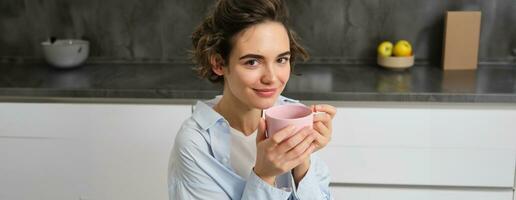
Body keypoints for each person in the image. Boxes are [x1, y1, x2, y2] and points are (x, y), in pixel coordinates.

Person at [168, 0, 336, 199]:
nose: (272, 78)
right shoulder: (195, 144)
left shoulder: (293, 116)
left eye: (281, 59)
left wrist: (302, 161)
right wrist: (265, 175)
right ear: (219, 63)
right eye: (253, 62)